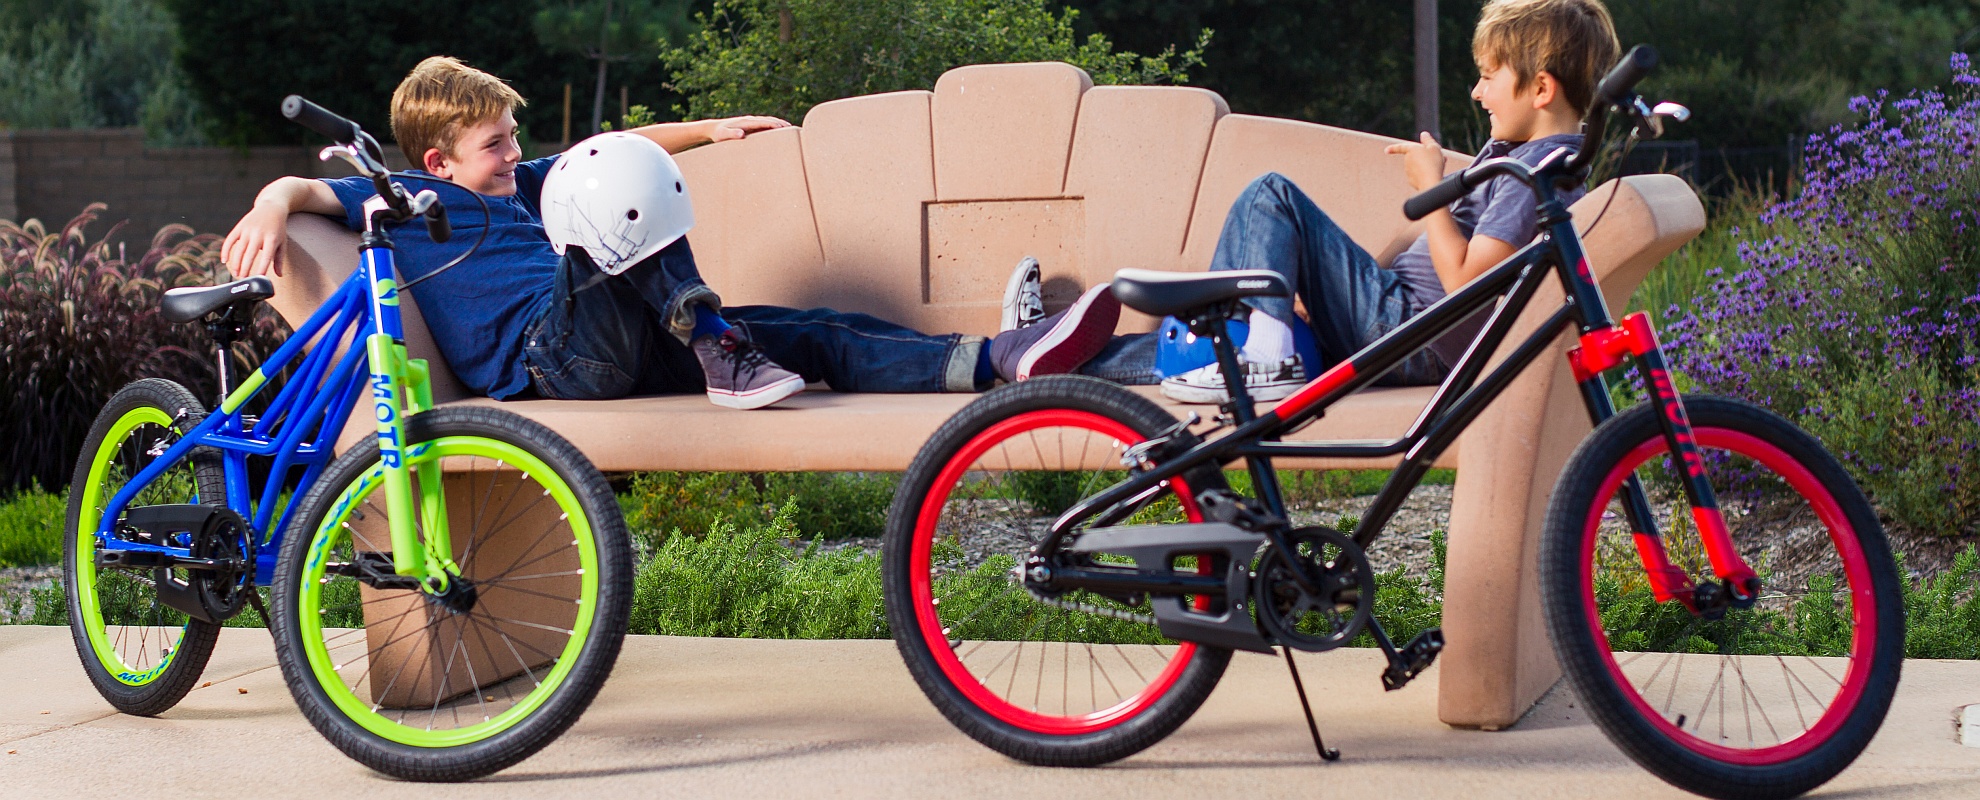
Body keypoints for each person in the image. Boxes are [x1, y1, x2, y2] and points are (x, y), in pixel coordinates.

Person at [221, 57, 1125, 409]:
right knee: (609, 190)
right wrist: (271, 205)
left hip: (623, 341)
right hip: (549, 362)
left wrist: (713, 128)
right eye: (495, 145)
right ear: (438, 160)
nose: (515, 154)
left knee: (810, 332)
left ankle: (999, 360)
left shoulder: (535, 182)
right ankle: (714, 338)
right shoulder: (411, 207)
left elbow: (612, 145)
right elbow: (308, 186)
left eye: (513, 139)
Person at [1150, 0, 1620, 403]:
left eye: (1487, 77)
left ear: (1541, 88)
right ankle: (1087, 361)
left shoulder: (1535, 173)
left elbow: (1465, 281)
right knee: (1208, 336)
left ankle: (1268, 359)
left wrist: (1429, 189)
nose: (1477, 93)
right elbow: (1429, 246)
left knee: (1270, 197)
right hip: (1401, 318)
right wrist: (1331, 288)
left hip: (1415, 333)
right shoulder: (1525, 157)